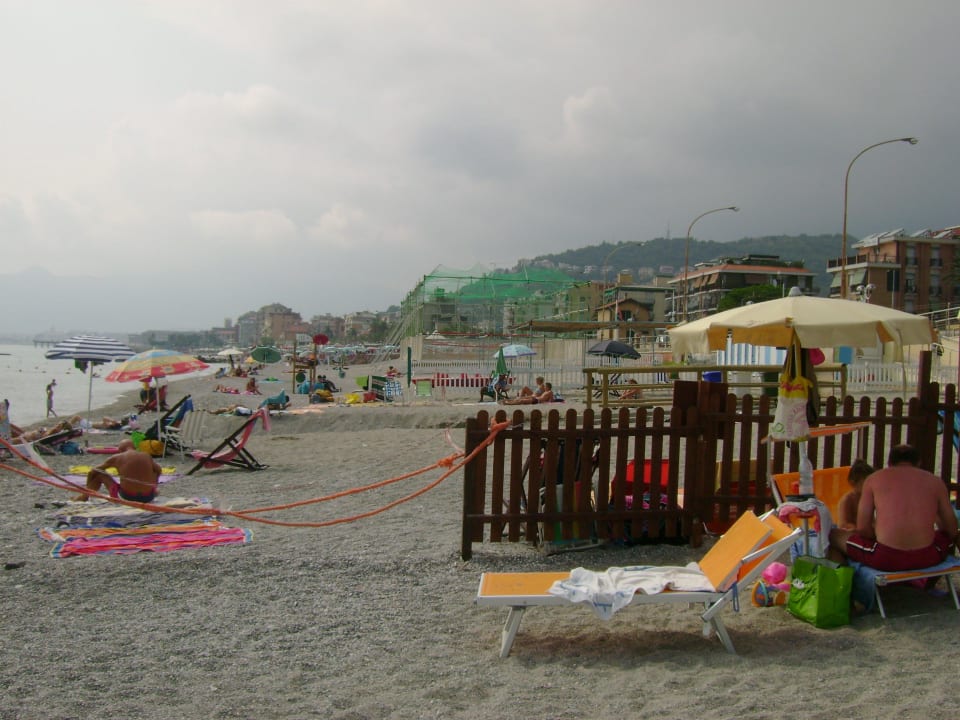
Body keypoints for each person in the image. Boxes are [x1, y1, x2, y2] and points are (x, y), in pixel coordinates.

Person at [829, 445, 958, 571]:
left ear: (889, 463)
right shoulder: (935, 482)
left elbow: (864, 529)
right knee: (945, 538)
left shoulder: (874, 479)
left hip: (887, 558)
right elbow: (951, 529)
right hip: (927, 557)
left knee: (833, 535)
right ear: (918, 462)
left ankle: (845, 580)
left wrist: (880, 535)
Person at [76, 439, 162, 503]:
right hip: (148, 497)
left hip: (127, 497)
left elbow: (92, 472)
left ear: (120, 450)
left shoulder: (117, 457)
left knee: (99, 475)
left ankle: (85, 497)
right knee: (153, 470)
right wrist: (153, 484)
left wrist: (87, 487)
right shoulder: (146, 455)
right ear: (134, 447)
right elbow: (159, 470)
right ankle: (152, 489)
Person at [836, 459, 874, 530]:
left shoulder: (869, 498)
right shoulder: (847, 500)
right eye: (866, 483)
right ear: (853, 482)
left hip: (865, 531)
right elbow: (843, 524)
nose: (870, 485)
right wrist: (857, 528)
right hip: (850, 532)